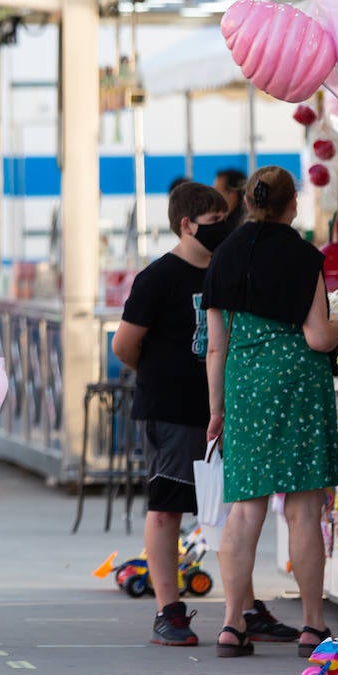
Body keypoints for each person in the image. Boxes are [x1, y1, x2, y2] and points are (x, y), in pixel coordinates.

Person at [204, 165, 338, 658]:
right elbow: (316, 336)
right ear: (293, 206)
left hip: (244, 387)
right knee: (305, 508)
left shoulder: (222, 256)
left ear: (247, 203)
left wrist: (216, 408)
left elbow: (215, 347)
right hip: (298, 386)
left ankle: (231, 625)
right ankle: (310, 626)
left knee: (245, 510)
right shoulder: (306, 257)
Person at [113, 183, 237, 646]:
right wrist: (161, 371)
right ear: (186, 225)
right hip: (171, 409)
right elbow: (124, 345)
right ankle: (169, 607)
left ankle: (240, 608)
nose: (224, 230)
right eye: (214, 222)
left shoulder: (226, 273)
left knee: (228, 511)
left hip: (224, 409)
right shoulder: (158, 278)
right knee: (167, 508)